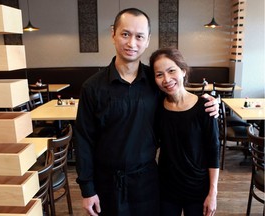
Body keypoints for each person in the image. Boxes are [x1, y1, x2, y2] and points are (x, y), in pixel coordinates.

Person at [75, 8, 219, 216]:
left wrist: (212, 102)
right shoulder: (92, 87)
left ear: (148, 40)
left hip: (149, 181)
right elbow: (83, 141)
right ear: (113, 33)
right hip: (107, 183)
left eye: (139, 36)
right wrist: (87, 190)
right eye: (125, 34)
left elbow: (180, 97)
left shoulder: (156, 81)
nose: (132, 43)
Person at [149, 47, 220, 216]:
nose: (166, 79)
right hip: (166, 188)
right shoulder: (156, 107)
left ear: (183, 71)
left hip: (197, 188)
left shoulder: (205, 107)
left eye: (171, 71)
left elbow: (213, 151)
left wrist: (213, 193)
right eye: (159, 74)